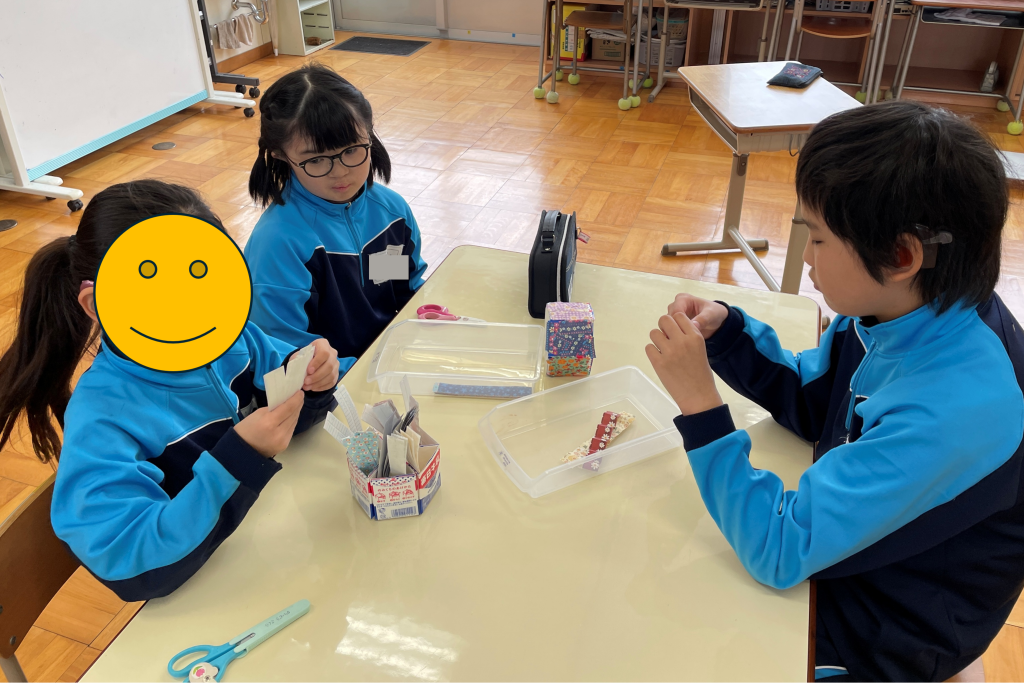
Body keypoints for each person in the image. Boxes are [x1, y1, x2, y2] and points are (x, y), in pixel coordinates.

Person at [645, 101, 1024, 682]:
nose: (807, 258)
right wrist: (731, 334)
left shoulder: (955, 409)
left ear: (900, 255)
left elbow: (778, 549)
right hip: (859, 557)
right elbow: (817, 399)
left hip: (892, 626)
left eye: (817, 240)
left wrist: (701, 410)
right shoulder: (896, 309)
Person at [0, 180, 341, 601]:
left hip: (275, 550)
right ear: (97, 304)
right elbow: (128, 561)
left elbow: (291, 418)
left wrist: (313, 380)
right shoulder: (103, 416)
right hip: (208, 598)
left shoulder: (236, 340)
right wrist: (240, 459)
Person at [245, 62, 427, 375]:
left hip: (387, 366)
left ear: (369, 134)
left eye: (352, 150)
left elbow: (405, 289)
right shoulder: (278, 242)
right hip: (328, 385)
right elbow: (284, 354)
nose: (341, 172)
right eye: (316, 159)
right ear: (280, 154)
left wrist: (429, 318)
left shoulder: (391, 212)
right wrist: (361, 375)